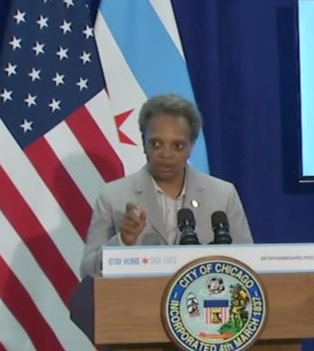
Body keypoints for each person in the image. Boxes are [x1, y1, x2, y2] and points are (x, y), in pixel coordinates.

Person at [80, 93, 254, 278]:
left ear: (191, 147)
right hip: (138, 302)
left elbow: (249, 264)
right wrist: (122, 242)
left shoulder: (222, 194)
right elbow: (87, 272)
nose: (166, 154)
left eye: (177, 146)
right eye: (156, 144)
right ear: (143, 143)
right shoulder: (113, 196)